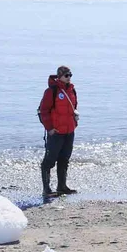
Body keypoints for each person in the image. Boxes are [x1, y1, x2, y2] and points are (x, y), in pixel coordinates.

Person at [38, 65, 79, 199]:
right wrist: (49, 128)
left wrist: (74, 123)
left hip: (69, 131)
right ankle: (46, 189)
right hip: (56, 132)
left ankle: (62, 186)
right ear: (60, 76)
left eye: (70, 75)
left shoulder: (72, 90)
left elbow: (74, 108)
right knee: (49, 161)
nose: (69, 78)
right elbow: (43, 111)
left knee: (64, 159)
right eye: (66, 75)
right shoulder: (51, 91)